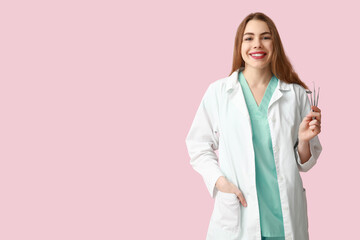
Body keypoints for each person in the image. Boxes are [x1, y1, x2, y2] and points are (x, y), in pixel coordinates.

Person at [185, 12, 322, 240]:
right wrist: (220, 182)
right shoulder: (219, 93)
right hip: (238, 217)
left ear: (275, 43)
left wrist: (305, 140)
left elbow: (305, 164)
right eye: (248, 38)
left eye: (265, 37)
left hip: (284, 221)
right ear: (239, 45)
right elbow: (197, 145)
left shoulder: (295, 94)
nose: (257, 44)